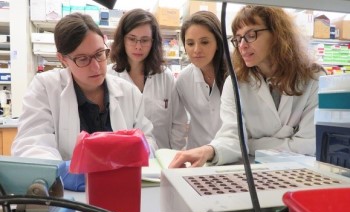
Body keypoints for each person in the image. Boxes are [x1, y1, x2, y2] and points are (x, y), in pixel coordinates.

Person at [11, 13, 157, 190]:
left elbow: (148, 140)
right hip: (68, 194)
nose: (95, 66)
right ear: (63, 59)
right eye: (82, 59)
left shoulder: (129, 93)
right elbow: (32, 144)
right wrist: (60, 172)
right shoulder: (45, 88)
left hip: (122, 188)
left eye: (99, 54)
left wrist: (137, 153)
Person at [169, 5, 326, 168]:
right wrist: (211, 150)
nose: (242, 45)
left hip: (300, 173)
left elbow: (308, 145)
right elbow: (232, 136)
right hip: (250, 171)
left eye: (251, 35)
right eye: (238, 39)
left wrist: (249, 144)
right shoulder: (235, 82)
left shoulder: (313, 78)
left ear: (278, 34)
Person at [108, 8, 188, 150]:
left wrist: (174, 156)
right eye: (132, 39)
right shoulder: (109, 77)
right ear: (122, 39)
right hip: (124, 160)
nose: (138, 46)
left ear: (153, 42)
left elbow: (178, 123)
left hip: (162, 160)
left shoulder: (165, 77)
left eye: (145, 40)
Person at [175, 10, 227, 149]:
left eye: (204, 42)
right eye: (190, 43)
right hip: (197, 158)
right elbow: (179, 122)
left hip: (233, 157)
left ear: (218, 43)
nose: (196, 50)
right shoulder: (183, 80)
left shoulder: (236, 75)